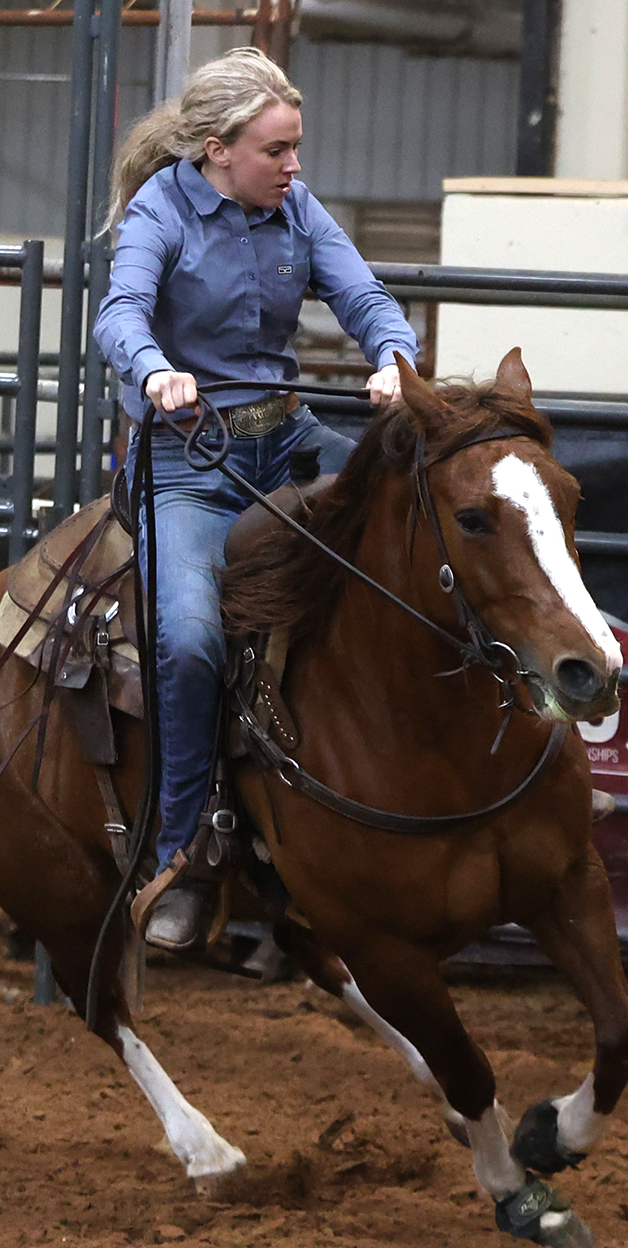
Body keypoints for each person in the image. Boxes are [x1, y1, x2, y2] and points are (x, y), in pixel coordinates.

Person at [92, 47, 418, 953]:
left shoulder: (297, 211)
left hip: (286, 442)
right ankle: (183, 853)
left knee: (431, 518)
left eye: (296, 147)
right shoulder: (160, 211)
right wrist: (155, 371)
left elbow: (365, 296)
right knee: (188, 641)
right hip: (189, 461)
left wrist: (394, 356)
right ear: (216, 149)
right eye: (278, 149)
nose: (294, 165)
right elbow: (120, 314)